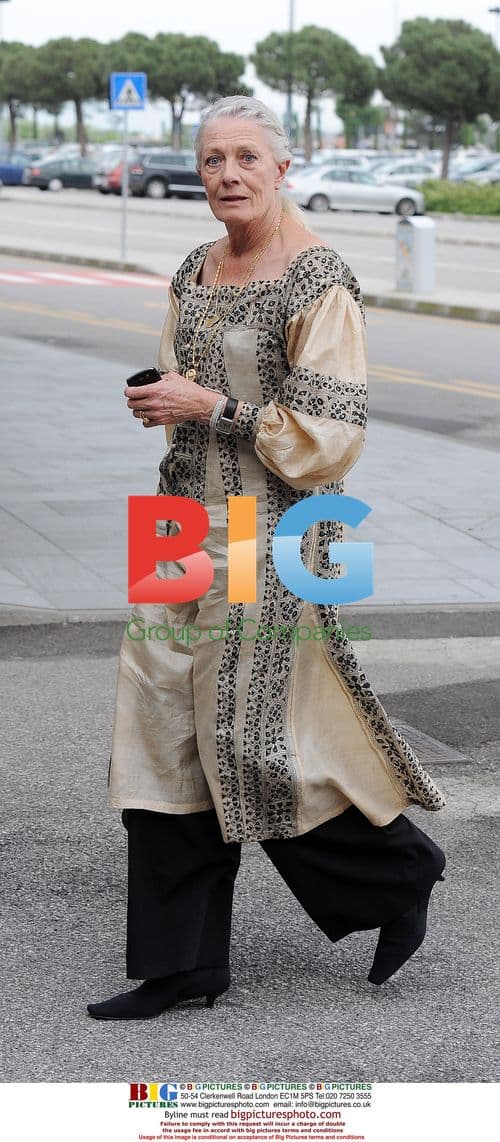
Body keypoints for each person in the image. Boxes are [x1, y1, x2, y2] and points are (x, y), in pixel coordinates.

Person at [87, 97, 446, 1021]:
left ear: (284, 170)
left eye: (247, 157)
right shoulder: (192, 268)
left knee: (250, 737)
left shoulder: (320, 278)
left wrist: (212, 408)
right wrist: (168, 406)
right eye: (212, 160)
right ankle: (180, 966)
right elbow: (189, 389)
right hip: (176, 527)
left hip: (274, 531)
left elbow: (333, 435)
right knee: (162, 734)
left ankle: (400, 872)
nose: (227, 175)